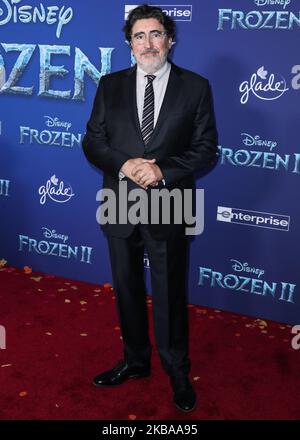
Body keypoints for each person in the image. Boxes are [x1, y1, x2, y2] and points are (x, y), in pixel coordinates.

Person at [82, 4, 218, 412]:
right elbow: (93, 141)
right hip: (120, 198)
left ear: (170, 39)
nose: (147, 43)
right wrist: (124, 165)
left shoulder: (195, 87)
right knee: (126, 288)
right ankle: (136, 361)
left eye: (155, 34)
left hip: (171, 201)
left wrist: (162, 171)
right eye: (139, 36)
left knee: (170, 293)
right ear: (129, 43)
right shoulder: (109, 85)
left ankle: (177, 371)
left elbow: (205, 149)